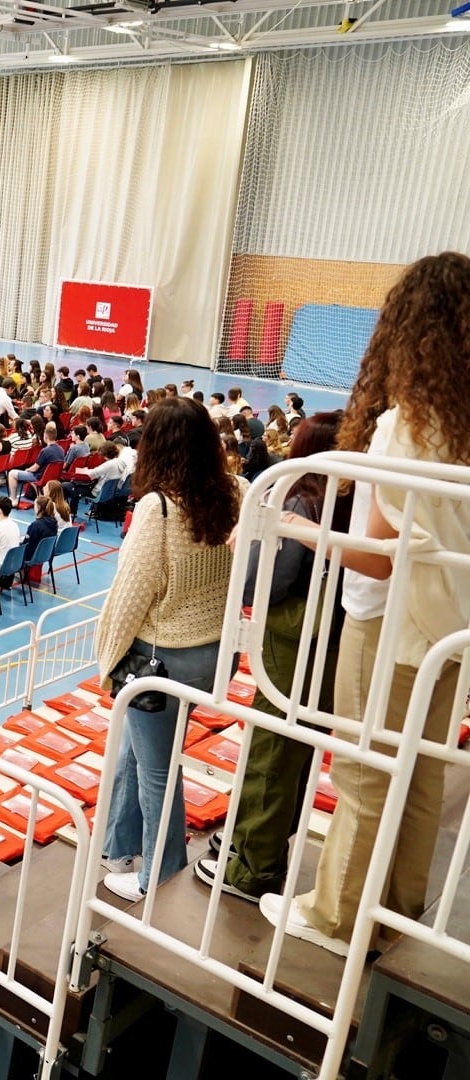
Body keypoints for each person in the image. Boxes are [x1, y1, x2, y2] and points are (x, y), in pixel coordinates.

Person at [264, 253, 470, 956]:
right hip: (451, 632)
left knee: (363, 768)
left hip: (388, 621)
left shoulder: (404, 427)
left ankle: (336, 915)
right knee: (420, 769)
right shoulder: (464, 427)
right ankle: (398, 912)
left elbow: (375, 555)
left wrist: (296, 528)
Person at [196, 412, 348, 902]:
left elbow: (265, 583)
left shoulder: (300, 501)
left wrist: (252, 543)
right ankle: (256, 842)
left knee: (271, 753)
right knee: (298, 752)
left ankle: (252, 868)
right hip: (329, 646)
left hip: (292, 642)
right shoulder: (350, 504)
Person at [94, 397, 239, 902]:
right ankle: (118, 846)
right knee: (139, 750)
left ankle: (157, 873)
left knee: (158, 769)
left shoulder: (158, 509)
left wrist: (107, 662)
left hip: (161, 659)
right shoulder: (235, 494)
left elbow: (131, 596)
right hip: (215, 651)